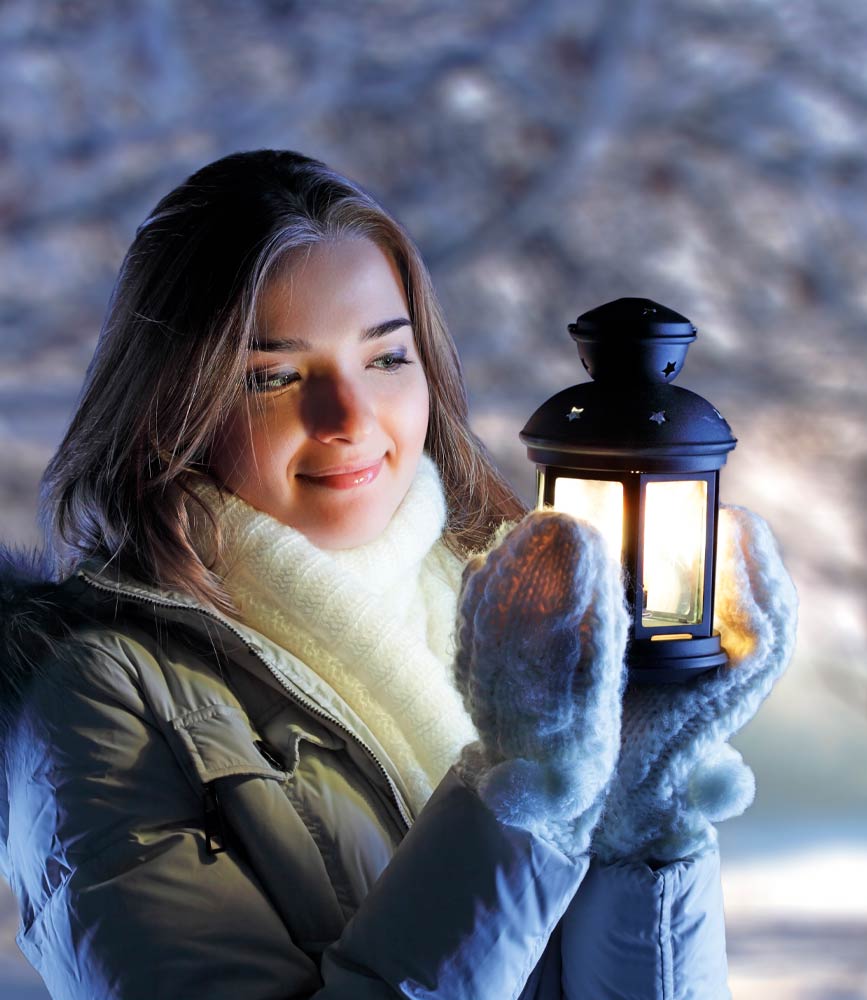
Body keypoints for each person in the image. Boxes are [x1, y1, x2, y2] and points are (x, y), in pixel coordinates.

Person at [0, 149, 797, 999]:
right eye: (274, 376)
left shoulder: (513, 627)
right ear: (175, 406)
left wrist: (641, 809)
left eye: (385, 359)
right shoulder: (102, 697)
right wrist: (519, 792)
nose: (348, 417)